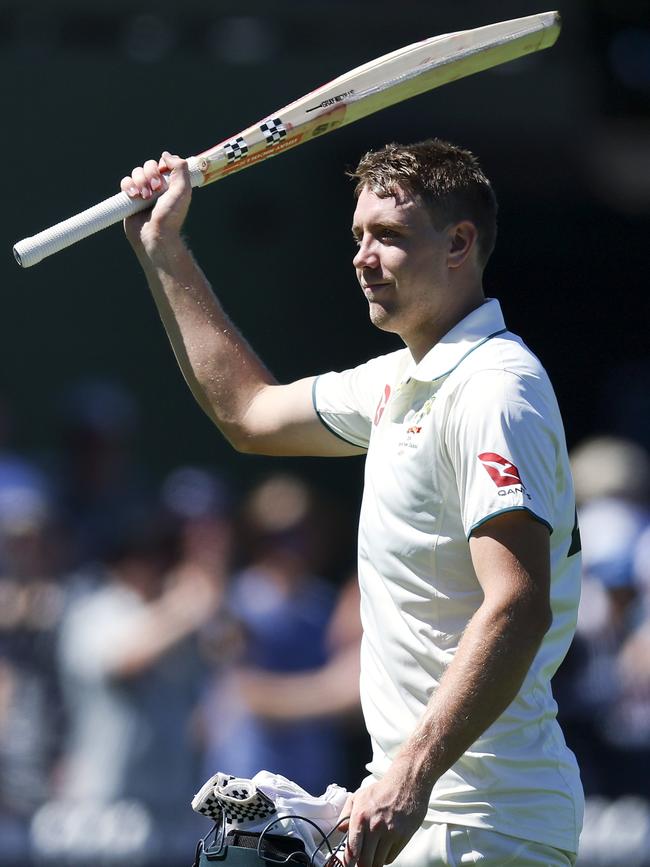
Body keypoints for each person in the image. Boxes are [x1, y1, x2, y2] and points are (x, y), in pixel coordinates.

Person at [119, 140, 583, 867]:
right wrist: (164, 248)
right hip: (425, 811)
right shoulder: (399, 380)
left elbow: (519, 601)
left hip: (485, 823)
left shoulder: (495, 387)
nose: (363, 256)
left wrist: (411, 772)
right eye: (359, 236)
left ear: (460, 242)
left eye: (389, 237)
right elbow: (248, 413)